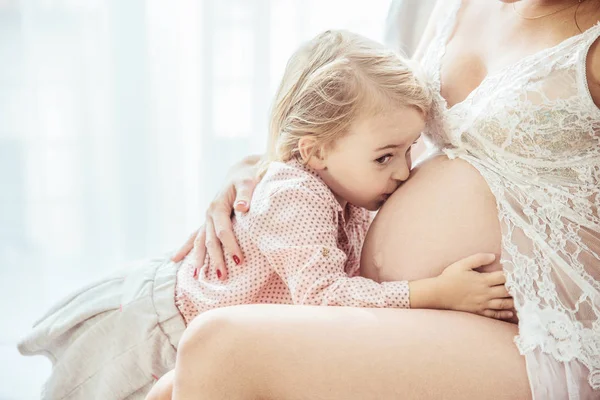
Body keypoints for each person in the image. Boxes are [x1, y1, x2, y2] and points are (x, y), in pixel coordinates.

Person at [16, 28, 514, 400]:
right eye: (385, 156)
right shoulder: (296, 194)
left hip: (199, 334)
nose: (405, 172)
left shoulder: (346, 187)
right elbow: (323, 297)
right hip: (162, 332)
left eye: (410, 150)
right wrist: (436, 294)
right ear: (316, 152)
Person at [169, 0, 600, 399]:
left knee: (218, 345)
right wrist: (259, 167)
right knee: (191, 368)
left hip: (539, 332)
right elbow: (368, 114)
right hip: (415, 303)